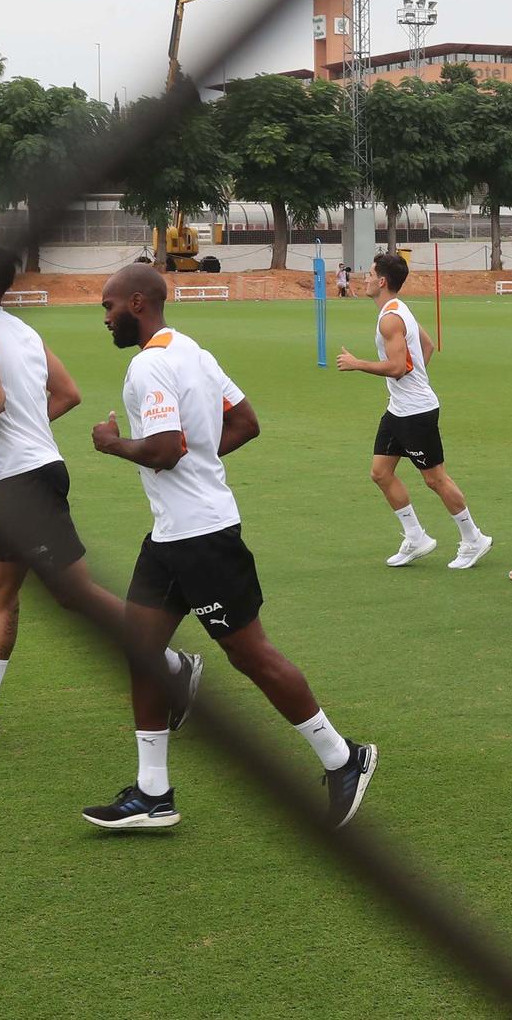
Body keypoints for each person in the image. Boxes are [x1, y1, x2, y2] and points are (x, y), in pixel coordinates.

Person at [92, 263, 375, 830]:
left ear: (139, 302)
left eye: (109, 306)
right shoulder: (193, 351)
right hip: (172, 534)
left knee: (251, 655)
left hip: (203, 537)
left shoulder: (149, 364)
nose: (105, 318)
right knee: (140, 649)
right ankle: (153, 793)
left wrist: (114, 444)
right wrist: (198, 460)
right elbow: (245, 422)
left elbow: (166, 448)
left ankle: (344, 758)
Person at [0, 241, 191, 750]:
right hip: (34, 472)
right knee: (0, 589)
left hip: (27, 480)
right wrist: (20, 428)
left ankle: (169, 663)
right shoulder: (21, 330)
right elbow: (68, 393)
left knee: (74, 593)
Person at [336, 252, 492, 569]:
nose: (364, 278)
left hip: (415, 413)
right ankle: (416, 537)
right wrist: (414, 382)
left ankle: (474, 538)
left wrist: (357, 364)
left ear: (382, 281)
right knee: (380, 473)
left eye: (369, 274)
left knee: (435, 479)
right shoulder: (399, 310)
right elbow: (428, 346)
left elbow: (396, 367)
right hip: (399, 409)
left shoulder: (390, 318)